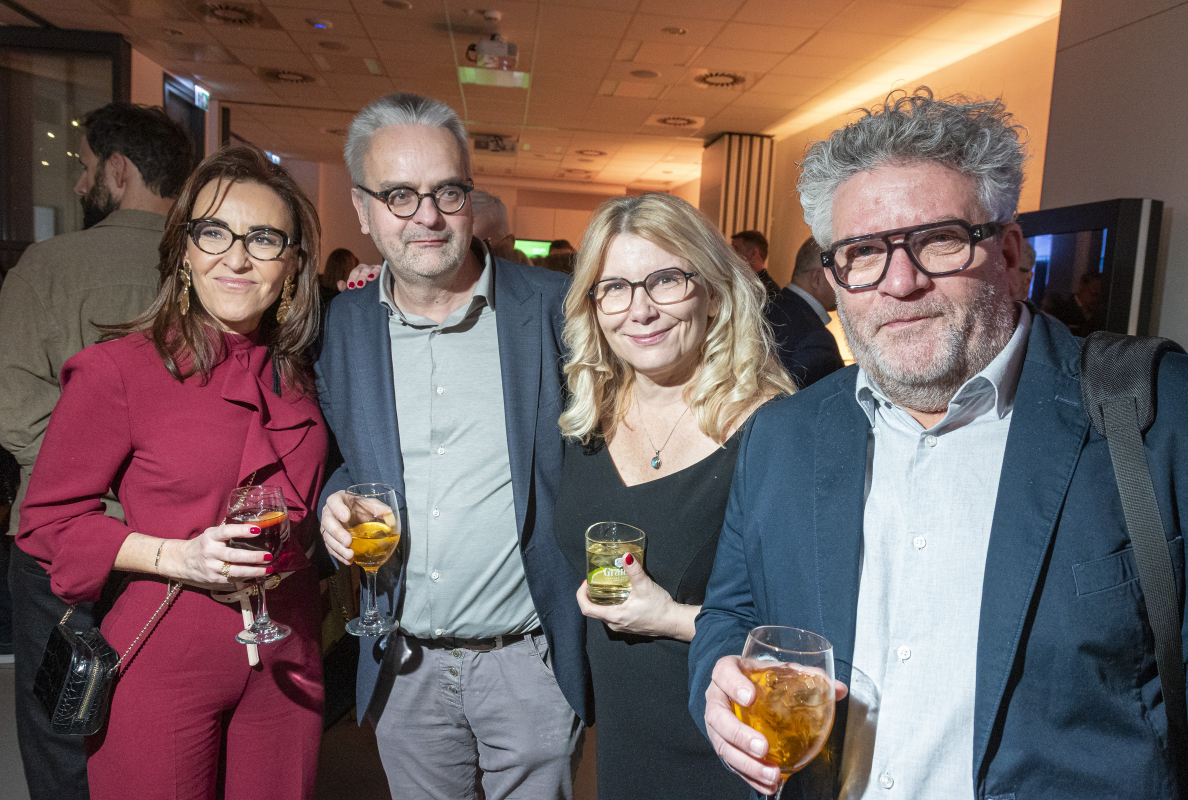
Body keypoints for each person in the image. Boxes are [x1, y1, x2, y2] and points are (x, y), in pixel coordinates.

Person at [690, 88, 1188, 800]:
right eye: (863, 252)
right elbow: (732, 616)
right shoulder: (783, 436)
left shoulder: (1162, 417)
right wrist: (718, 685)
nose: (901, 283)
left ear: (1010, 253)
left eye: (939, 240)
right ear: (834, 278)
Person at [17, 145, 329, 800]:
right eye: (214, 233)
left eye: (263, 239)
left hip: (288, 656)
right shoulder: (120, 371)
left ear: (294, 263)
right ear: (184, 250)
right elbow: (49, 524)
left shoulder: (304, 374)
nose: (236, 258)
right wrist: (176, 556)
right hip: (166, 653)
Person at [316, 92, 586, 799]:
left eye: (447, 192)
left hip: (527, 663)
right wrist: (332, 501)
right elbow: (338, 457)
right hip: (403, 665)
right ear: (363, 209)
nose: (427, 217)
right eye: (399, 196)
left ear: (470, 195)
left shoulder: (553, 309)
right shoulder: (343, 325)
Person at [552, 192, 793, 799]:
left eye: (666, 280)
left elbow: (804, 629)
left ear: (713, 292)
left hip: (727, 741)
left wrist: (671, 618)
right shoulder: (588, 416)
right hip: (622, 739)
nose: (641, 309)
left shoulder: (772, 430)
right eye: (614, 287)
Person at [0, 101, 192, 800]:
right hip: (174, 540)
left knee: (60, 729)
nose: (80, 183)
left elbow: (14, 411)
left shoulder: (47, 266)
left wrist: (86, 473)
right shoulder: (207, 269)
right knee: (163, 729)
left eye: (84, 168)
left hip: (59, 543)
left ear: (118, 169)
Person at [766, 236, 845, 388]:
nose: (843, 287)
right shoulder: (816, 340)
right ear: (817, 278)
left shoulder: (767, 309)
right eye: (839, 277)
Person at [731, 229, 780, 295]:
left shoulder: (769, 292)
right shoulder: (736, 282)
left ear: (753, 253)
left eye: (736, 249)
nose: (731, 254)